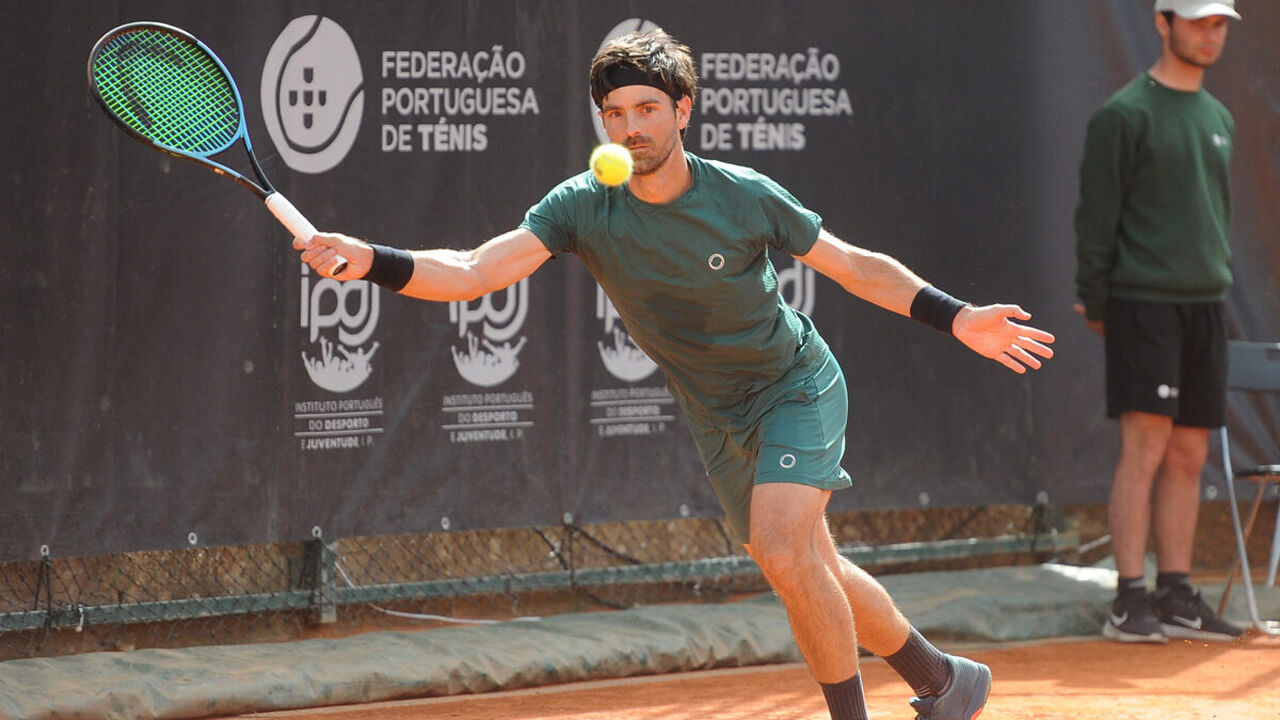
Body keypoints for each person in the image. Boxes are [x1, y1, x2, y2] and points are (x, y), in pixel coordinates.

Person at [299, 29, 1054, 720]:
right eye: (617, 111)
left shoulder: (744, 195)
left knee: (789, 554)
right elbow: (471, 272)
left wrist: (954, 316)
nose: (632, 126)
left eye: (649, 109)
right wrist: (374, 261)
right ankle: (944, 681)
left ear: (682, 110)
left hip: (795, 382)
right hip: (715, 411)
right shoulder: (583, 206)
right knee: (807, 565)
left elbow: (854, 267)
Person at [1073, 0, 1244, 644]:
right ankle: (1129, 599)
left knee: (1190, 451)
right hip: (1142, 302)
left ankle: (1177, 594)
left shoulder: (1219, 116)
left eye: (1219, 23)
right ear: (1162, 21)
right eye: (1198, 21)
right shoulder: (1123, 116)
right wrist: (1096, 296)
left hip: (1206, 305)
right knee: (1144, 446)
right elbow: (1096, 218)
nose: (1210, 34)